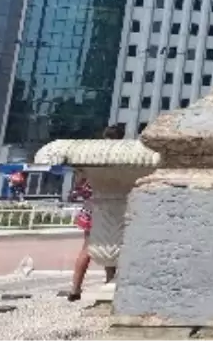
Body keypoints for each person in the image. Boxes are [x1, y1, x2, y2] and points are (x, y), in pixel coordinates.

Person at [68, 124, 125, 301]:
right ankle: (110, 282)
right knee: (112, 242)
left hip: (92, 207)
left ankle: (75, 288)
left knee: (87, 248)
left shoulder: (91, 154)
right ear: (120, 139)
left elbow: (79, 183)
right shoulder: (121, 156)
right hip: (113, 206)